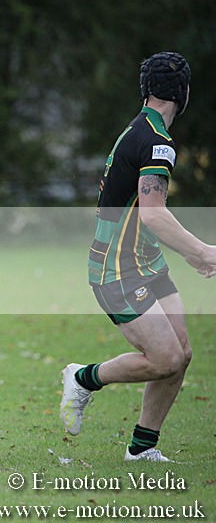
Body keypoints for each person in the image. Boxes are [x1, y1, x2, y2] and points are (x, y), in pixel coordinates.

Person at [61, 52, 216, 462]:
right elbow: (154, 214)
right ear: (183, 94)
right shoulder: (156, 142)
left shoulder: (142, 131)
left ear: (147, 90)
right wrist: (201, 251)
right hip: (117, 268)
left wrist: (193, 255)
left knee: (181, 355)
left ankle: (142, 448)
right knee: (164, 358)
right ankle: (82, 378)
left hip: (144, 261)